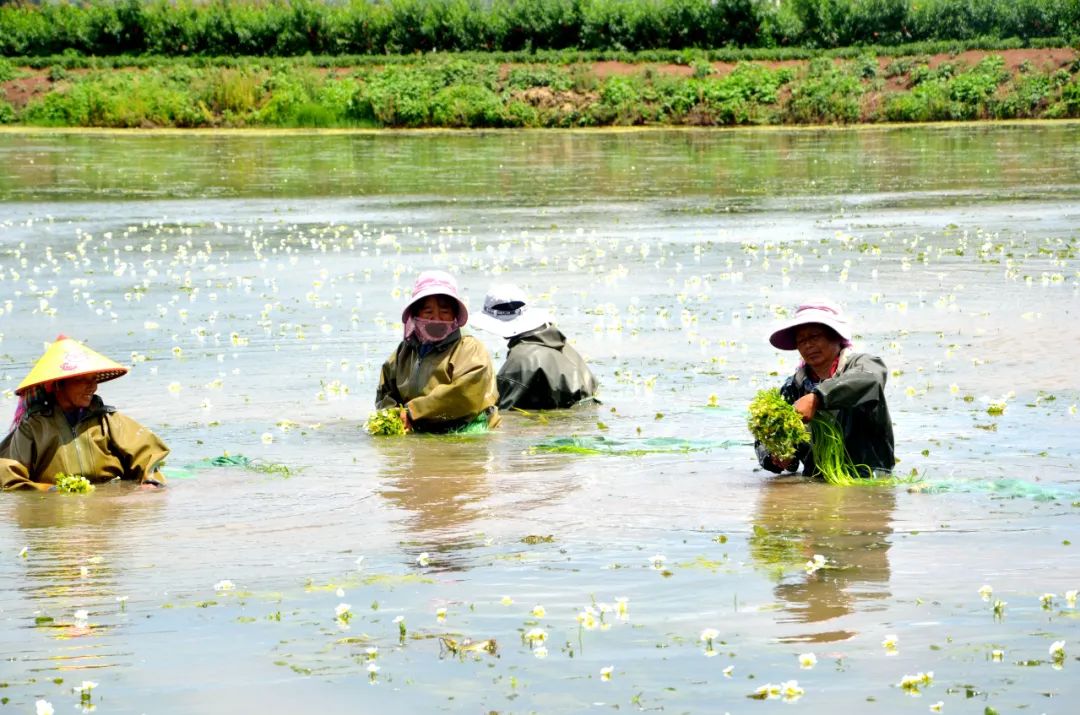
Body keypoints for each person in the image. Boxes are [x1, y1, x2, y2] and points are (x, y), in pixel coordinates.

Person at [1, 335, 169, 491]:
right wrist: (51, 491)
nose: (93, 387)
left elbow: (148, 455)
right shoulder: (33, 427)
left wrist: (150, 482)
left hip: (107, 503)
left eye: (94, 379)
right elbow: (10, 478)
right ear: (58, 385)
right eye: (81, 380)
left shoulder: (107, 420)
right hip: (59, 504)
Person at [755, 302, 894, 478]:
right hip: (816, 480)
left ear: (836, 336)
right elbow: (766, 437)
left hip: (868, 479)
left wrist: (817, 398)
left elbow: (871, 380)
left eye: (814, 336)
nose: (808, 345)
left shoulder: (863, 364)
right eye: (801, 340)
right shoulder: (794, 387)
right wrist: (775, 454)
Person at [376, 270, 500, 433]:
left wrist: (413, 412)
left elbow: (464, 395)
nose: (436, 319)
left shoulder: (469, 348)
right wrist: (393, 414)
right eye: (428, 312)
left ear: (454, 314)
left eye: (444, 312)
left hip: (466, 431)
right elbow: (386, 391)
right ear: (416, 314)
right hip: (421, 427)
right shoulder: (405, 351)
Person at [471, 283, 598, 411]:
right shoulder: (562, 346)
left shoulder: (521, 359)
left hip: (564, 420)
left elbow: (500, 413)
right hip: (586, 415)